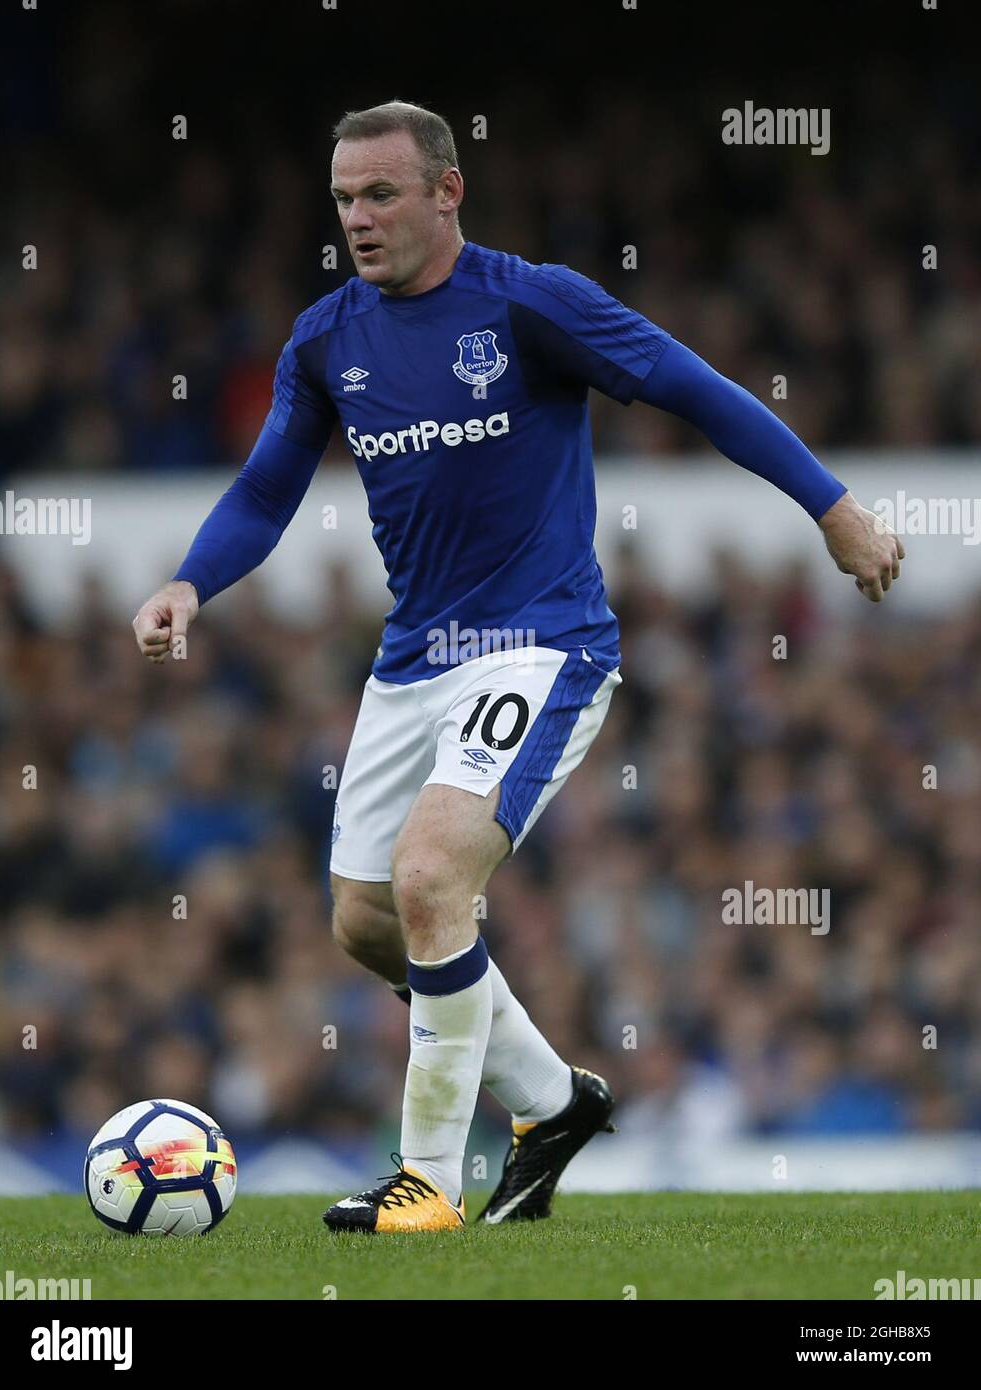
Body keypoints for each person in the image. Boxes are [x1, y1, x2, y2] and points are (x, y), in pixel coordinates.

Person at [133, 100, 904, 1233]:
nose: (357, 217)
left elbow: (695, 388)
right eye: (344, 197)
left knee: (433, 877)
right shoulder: (324, 340)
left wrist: (832, 508)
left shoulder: (530, 302)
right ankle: (551, 1105)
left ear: (447, 191)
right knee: (363, 921)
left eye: (381, 193)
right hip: (413, 659)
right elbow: (264, 492)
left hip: (542, 642)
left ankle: (429, 1181)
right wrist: (188, 582)